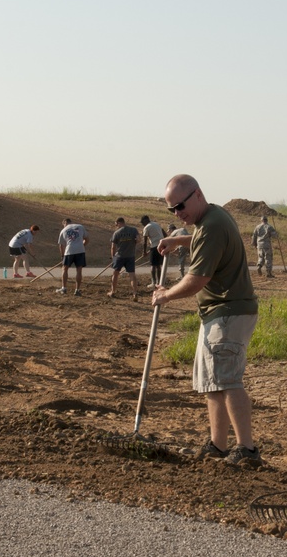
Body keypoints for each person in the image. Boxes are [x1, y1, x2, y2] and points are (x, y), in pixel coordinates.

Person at [153, 174, 262, 467]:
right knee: (212, 383)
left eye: (180, 206)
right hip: (219, 312)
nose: (177, 213)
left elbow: (197, 279)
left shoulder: (211, 225)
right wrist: (180, 240)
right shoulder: (213, 217)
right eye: (171, 210)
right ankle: (218, 444)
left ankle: (247, 450)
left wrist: (166, 295)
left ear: (197, 194)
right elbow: (208, 238)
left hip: (227, 311)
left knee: (227, 380)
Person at [108, 217, 140, 301]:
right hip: (130, 256)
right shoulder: (133, 230)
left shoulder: (117, 233)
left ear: (119, 223)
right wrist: (133, 242)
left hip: (119, 256)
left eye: (116, 224)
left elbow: (113, 247)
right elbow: (139, 240)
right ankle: (135, 293)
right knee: (132, 275)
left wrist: (113, 257)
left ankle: (113, 291)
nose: (116, 226)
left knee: (115, 274)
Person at [57, 218, 88, 296]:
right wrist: (82, 245)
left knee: (65, 268)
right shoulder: (80, 227)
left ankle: (64, 288)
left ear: (64, 223)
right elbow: (87, 239)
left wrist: (62, 255)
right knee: (79, 270)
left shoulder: (63, 230)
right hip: (80, 251)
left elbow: (61, 245)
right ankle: (77, 290)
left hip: (69, 251)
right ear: (71, 222)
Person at [140, 215, 165, 288]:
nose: (142, 224)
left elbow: (144, 241)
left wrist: (144, 252)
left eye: (142, 223)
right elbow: (165, 234)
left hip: (154, 246)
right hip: (161, 246)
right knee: (158, 265)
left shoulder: (146, 227)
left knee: (153, 265)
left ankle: (153, 283)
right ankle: (159, 282)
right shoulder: (156, 224)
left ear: (145, 220)